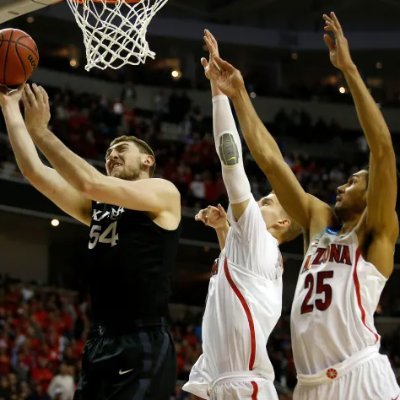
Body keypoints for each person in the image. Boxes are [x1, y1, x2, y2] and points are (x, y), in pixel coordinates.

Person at [204, 12, 399, 400]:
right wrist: (239, 95)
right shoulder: (318, 222)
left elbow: (382, 149)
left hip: (359, 374)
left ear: (373, 190)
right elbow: (272, 162)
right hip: (310, 386)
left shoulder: (376, 230)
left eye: (354, 181)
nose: (343, 185)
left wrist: (349, 69)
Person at [0, 83, 181, 400]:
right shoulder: (99, 207)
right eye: (109, 152)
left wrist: (42, 133)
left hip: (142, 339)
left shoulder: (163, 193)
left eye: (121, 149)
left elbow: (89, 181)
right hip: (99, 341)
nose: (112, 155)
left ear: (148, 160)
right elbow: (33, 171)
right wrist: (9, 107)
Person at [182, 31, 300, 399]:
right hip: (228, 381)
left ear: (282, 223)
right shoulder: (256, 254)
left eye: (266, 203)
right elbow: (236, 285)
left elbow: (230, 164)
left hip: (242, 384)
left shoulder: (260, 240)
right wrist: (223, 232)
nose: (255, 205)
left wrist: (219, 94)